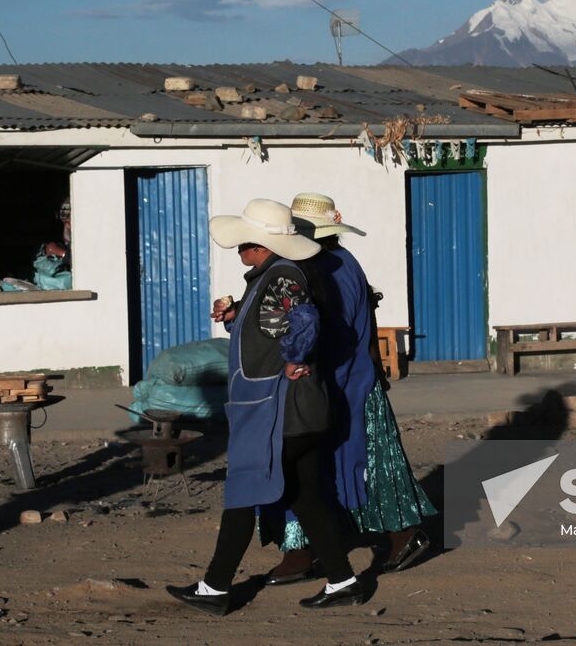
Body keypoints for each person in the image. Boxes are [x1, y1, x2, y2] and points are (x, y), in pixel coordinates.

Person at [166, 198, 363, 616]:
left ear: (261, 245)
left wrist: (294, 358)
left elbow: (302, 322)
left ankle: (215, 587)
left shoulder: (280, 278)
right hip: (297, 410)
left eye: (243, 244)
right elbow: (271, 327)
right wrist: (238, 315)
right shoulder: (275, 276)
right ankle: (343, 579)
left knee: (244, 490)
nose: (239, 252)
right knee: (306, 496)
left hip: (278, 409)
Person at [261, 192, 436, 584]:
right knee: (335, 469)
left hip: (342, 386)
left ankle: (390, 537)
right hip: (343, 382)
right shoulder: (333, 263)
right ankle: (305, 550)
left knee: (354, 469)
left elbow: (324, 330)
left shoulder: (328, 268)